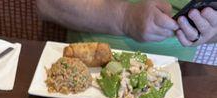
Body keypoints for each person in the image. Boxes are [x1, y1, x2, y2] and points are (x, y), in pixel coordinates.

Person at [36, 0, 217, 62]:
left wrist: (207, 30)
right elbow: (47, 5)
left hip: (175, 81)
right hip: (89, 70)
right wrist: (124, 18)